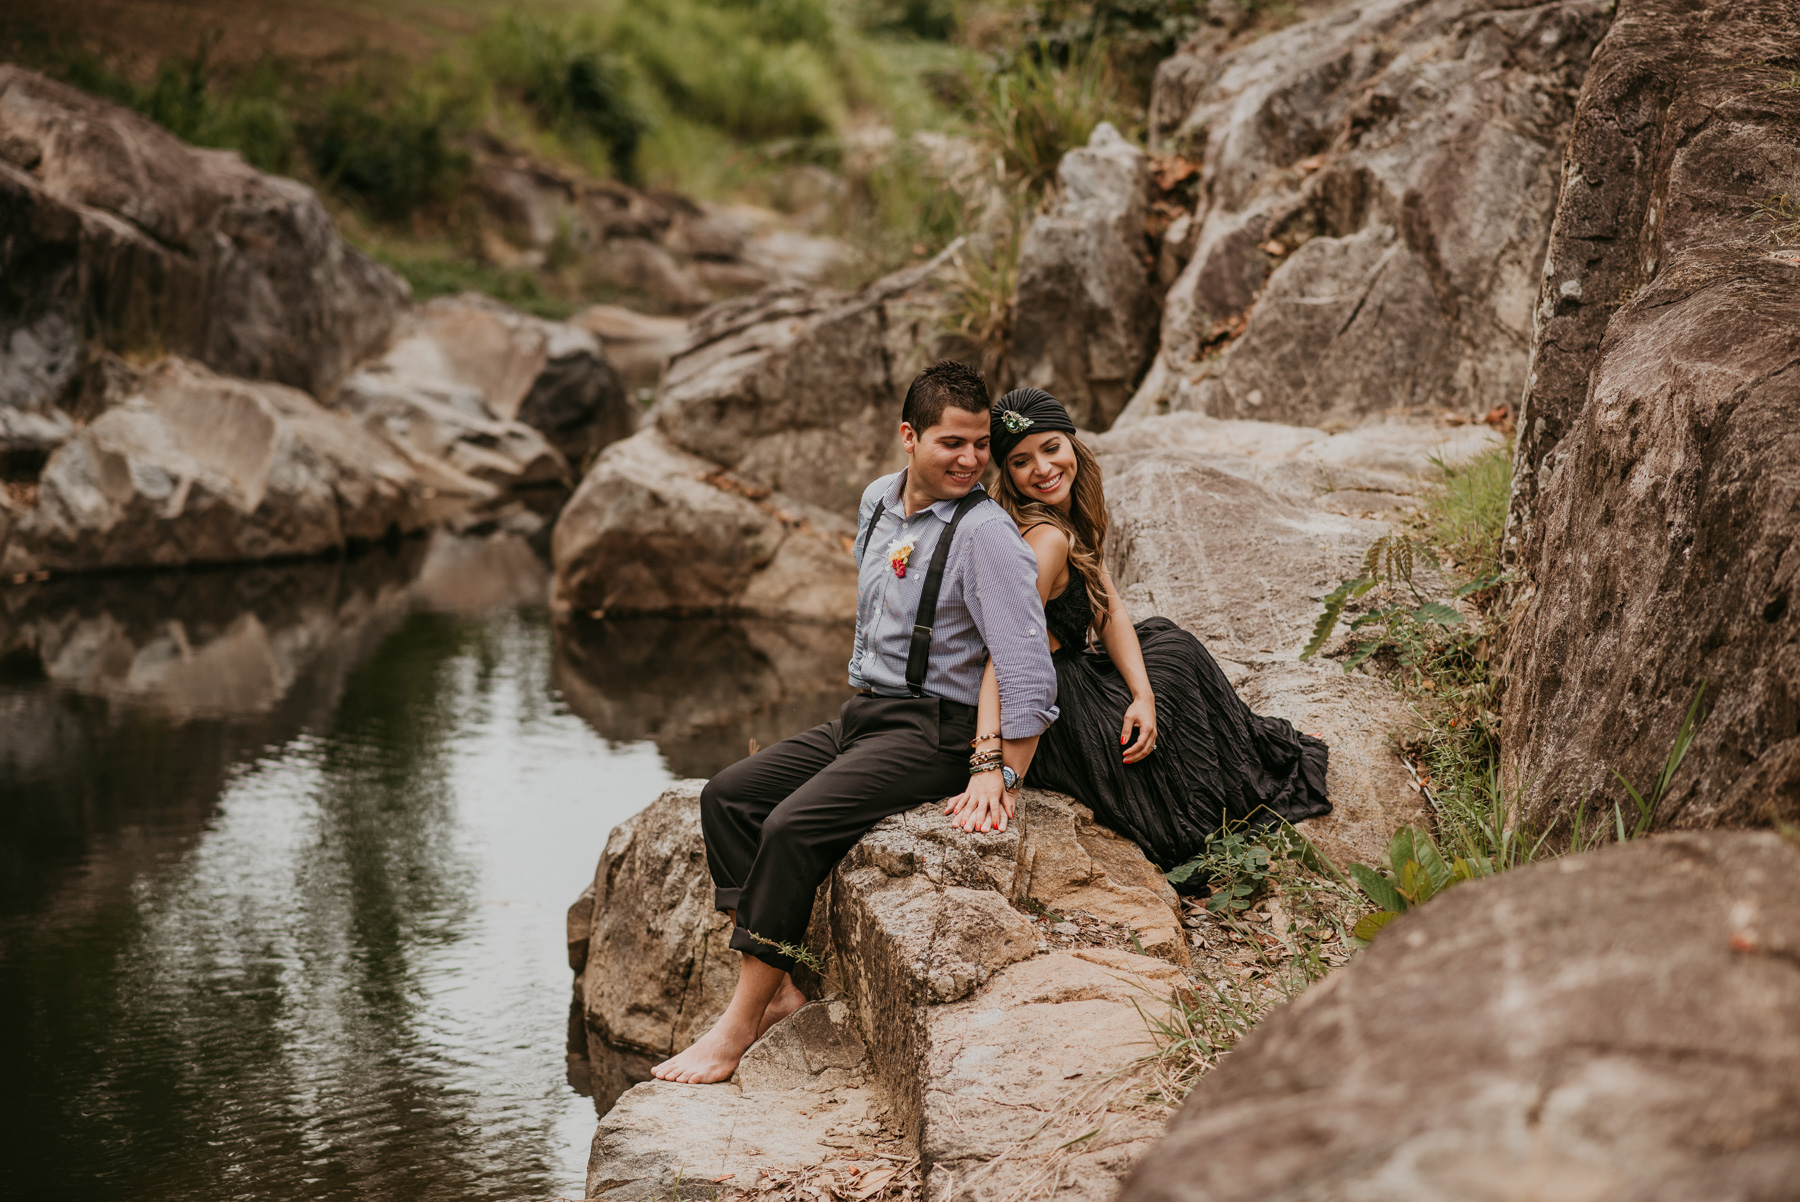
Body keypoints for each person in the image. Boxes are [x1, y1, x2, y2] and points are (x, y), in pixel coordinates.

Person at [652, 361, 1059, 1084]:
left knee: (792, 826)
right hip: (866, 713)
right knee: (731, 797)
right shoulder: (877, 502)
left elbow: (1024, 661)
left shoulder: (987, 534)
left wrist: (998, 771)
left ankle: (737, 1024)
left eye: (979, 445)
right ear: (909, 437)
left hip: (938, 729)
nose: (970, 460)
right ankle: (779, 984)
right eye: (950, 443)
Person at [945, 387, 1331, 873]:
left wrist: (1141, 694)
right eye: (1021, 461)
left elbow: (1109, 609)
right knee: (1177, 663)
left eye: (1050, 449)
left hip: (1068, 673)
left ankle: (1249, 743)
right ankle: (1244, 769)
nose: (1042, 469)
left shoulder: (1064, 522)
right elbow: (1005, 656)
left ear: (1073, 445)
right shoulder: (1043, 540)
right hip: (1051, 708)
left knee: (1167, 644)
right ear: (1009, 475)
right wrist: (989, 763)